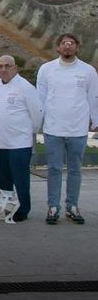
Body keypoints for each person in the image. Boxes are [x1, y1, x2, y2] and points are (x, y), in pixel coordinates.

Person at [36, 33, 98, 224]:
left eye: (71, 44)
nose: (68, 46)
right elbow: (41, 98)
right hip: (53, 128)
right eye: (64, 43)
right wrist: (38, 123)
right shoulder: (46, 70)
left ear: (77, 47)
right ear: (58, 47)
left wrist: (95, 122)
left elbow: (93, 98)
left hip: (77, 129)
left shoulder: (88, 71)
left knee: (75, 170)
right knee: (54, 168)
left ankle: (72, 206)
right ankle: (53, 206)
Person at [0, 56, 43, 223]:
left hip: (19, 142)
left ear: (16, 68)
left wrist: (28, 131)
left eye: (7, 66)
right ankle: (4, 207)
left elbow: (37, 114)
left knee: (20, 178)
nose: (3, 69)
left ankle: (23, 209)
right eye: (0, 66)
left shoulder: (25, 87)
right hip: (0, 142)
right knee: (2, 178)